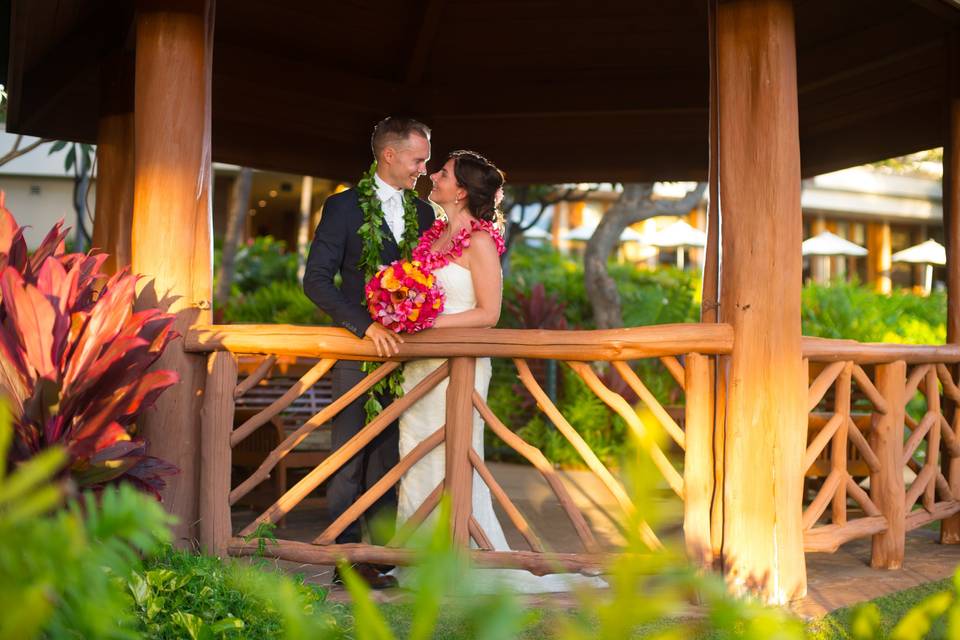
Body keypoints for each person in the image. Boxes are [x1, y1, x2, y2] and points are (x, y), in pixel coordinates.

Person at [396, 151, 606, 593]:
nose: (433, 176)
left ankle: (462, 552)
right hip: (420, 366)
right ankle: (416, 556)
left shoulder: (480, 242)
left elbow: (488, 314)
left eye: (444, 173)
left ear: (462, 190)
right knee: (415, 451)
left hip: (461, 363)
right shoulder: (432, 236)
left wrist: (426, 322)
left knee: (455, 451)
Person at [303, 117, 435, 589]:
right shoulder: (341, 208)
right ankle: (345, 560)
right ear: (390, 156)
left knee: (388, 459)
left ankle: (377, 558)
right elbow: (316, 280)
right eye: (418, 159)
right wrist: (366, 325)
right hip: (358, 350)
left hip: (410, 354)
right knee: (350, 456)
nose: (424, 167)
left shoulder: (425, 214)